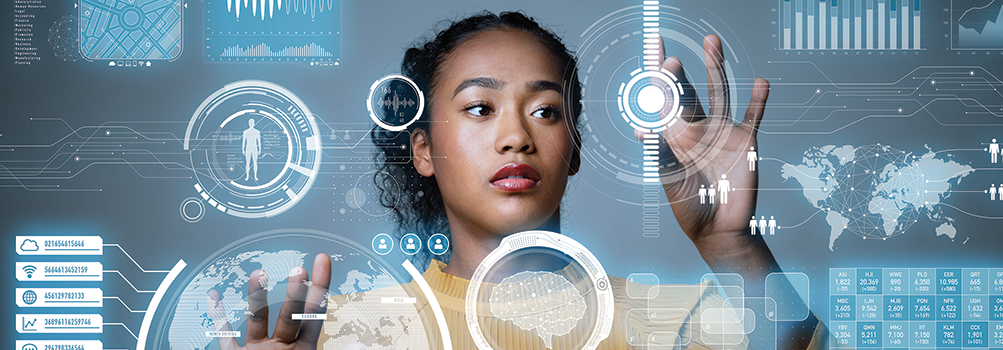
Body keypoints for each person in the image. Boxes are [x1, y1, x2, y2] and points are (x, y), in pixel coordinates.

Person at [207, 11, 829, 350]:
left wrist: (732, 247)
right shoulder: (331, 337)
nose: (516, 138)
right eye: (480, 108)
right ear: (423, 149)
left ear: (575, 148)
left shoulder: (673, 325)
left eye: (546, 111)